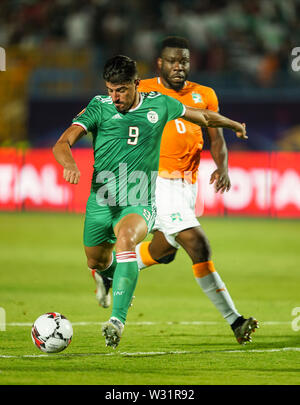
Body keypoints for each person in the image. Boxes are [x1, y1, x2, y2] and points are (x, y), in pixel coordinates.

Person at [53, 54, 247, 349]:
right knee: (97, 260)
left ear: (135, 84)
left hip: (139, 198)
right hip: (101, 200)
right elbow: (63, 142)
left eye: (121, 90)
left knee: (127, 240)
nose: (115, 97)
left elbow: (203, 116)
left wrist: (233, 124)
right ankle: (107, 277)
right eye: (110, 90)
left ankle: (117, 321)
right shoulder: (98, 107)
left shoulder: (160, 104)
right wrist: (69, 164)